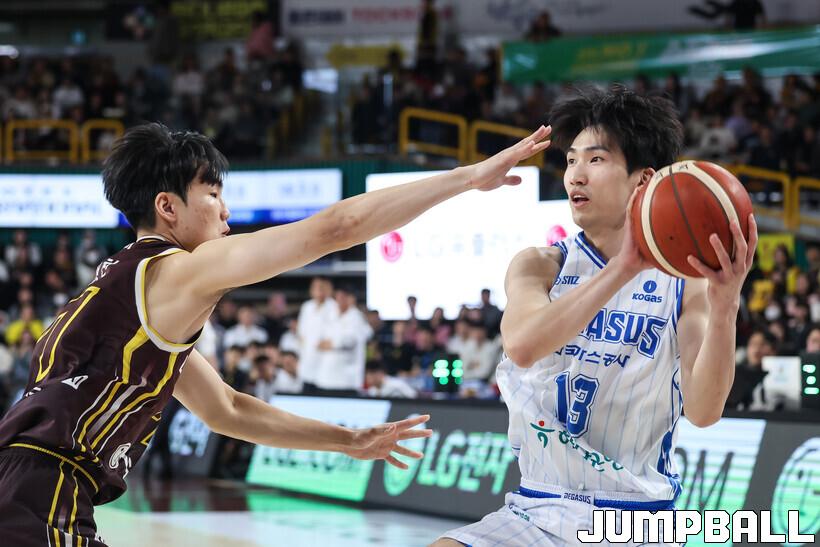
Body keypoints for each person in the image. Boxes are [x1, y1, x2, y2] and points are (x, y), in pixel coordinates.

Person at [0, 121, 549, 546]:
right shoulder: (174, 270)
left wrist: (349, 441)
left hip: (27, 485)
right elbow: (335, 228)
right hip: (40, 491)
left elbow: (228, 410)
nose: (226, 212)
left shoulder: (125, 295)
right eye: (212, 194)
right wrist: (467, 178)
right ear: (167, 207)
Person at [433, 86, 757, 546]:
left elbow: (704, 412)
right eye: (570, 161)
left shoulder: (686, 285)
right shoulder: (540, 265)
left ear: (643, 181)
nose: (576, 176)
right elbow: (523, 346)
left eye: (596, 159)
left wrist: (726, 306)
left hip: (637, 519)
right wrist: (624, 267)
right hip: (538, 507)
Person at [315, 286, 373, 393]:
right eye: (337, 297)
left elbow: (349, 341)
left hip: (347, 380)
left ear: (351, 299)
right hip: (326, 377)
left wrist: (332, 344)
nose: (339, 301)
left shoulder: (356, 317)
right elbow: (319, 340)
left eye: (343, 297)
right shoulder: (330, 315)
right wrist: (329, 343)